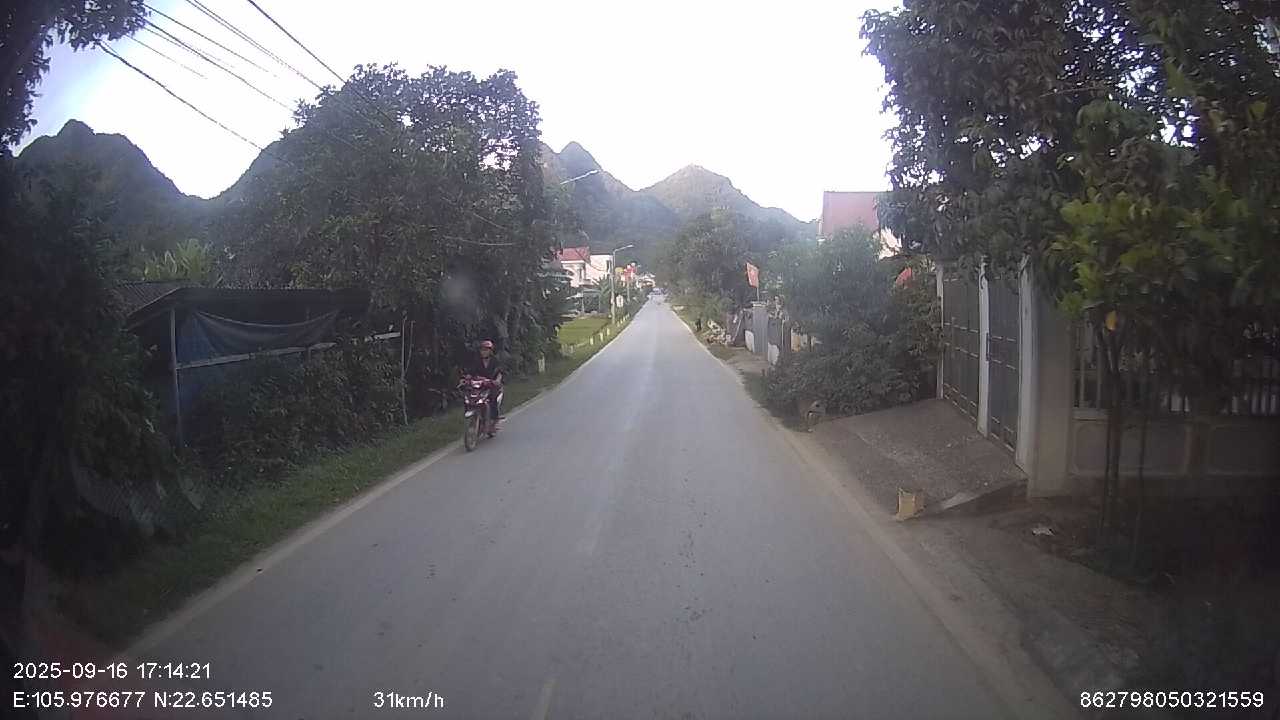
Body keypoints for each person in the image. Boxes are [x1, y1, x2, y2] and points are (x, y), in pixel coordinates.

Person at [464, 340, 504, 431]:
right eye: (482, 350)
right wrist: (467, 378)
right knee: (468, 397)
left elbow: (500, 372)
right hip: (479, 385)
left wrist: (497, 381)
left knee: (492, 398)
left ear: (490, 351)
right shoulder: (477, 361)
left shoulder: (495, 361)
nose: (484, 352)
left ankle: (494, 419)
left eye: (486, 350)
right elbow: (471, 371)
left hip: (491, 385)